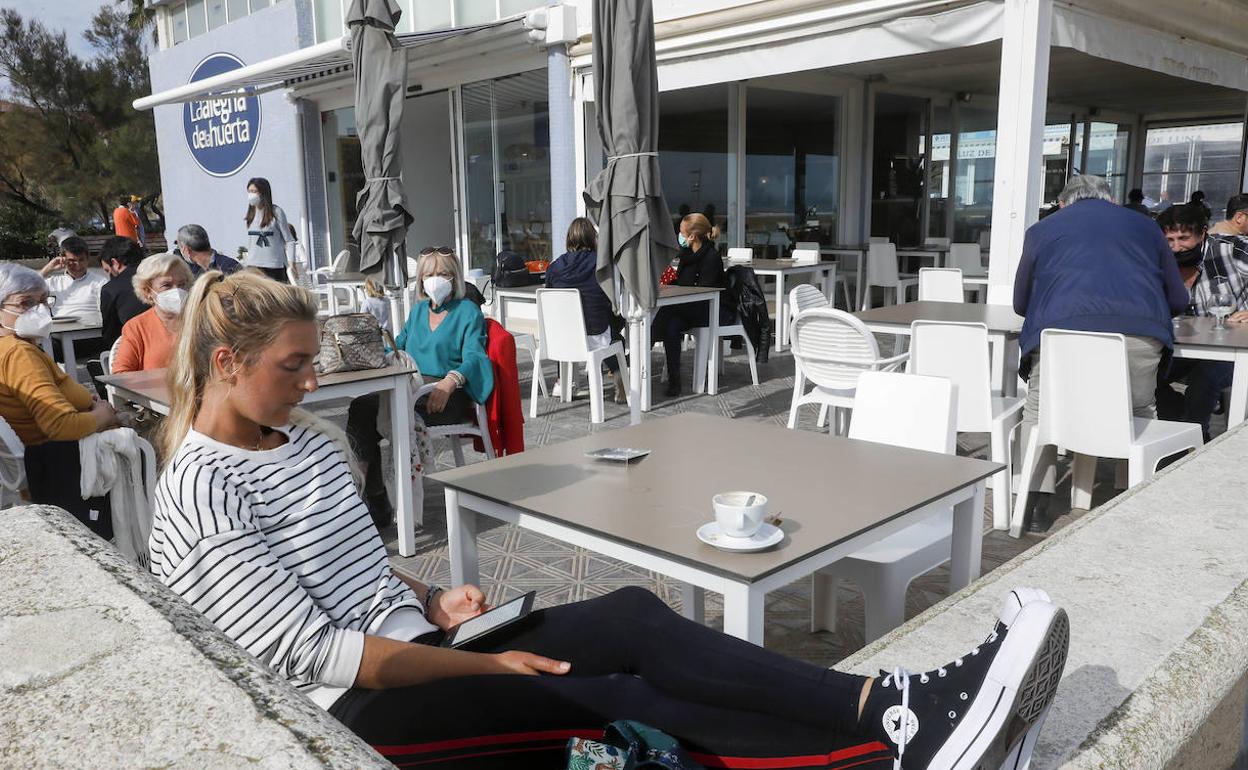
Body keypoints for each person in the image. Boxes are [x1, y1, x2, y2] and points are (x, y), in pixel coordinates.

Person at [146, 270, 1069, 769]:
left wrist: (433, 596)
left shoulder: (299, 442)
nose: (313, 382)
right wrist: (493, 659)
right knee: (622, 703)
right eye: (294, 367)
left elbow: (358, 569)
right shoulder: (200, 491)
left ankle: (894, 707)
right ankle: (892, 744)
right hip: (352, 708)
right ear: (227, 362)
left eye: (312, 364)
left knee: (630, 614)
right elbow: (319, 656)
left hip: (421, 646)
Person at [1013, 175, 1188, 531]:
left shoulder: (1042, 230)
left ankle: (1032, 505)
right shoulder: (1146, 226)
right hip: (1139, 334)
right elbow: (1178, 298)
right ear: (1111, 201)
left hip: (1059, 335)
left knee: (1040, 411)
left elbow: (1020, 302)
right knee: (1138, 410)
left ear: (1064, 204)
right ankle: (1131, 496)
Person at [347, 248, 493, 527]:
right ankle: (370, 492)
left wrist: (450, 382)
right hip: (411, 389)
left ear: (455, 277)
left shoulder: (467, 311)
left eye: (443, 273)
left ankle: (367, 495)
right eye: (429, 274)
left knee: (367, 410)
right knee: (363, 407)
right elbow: (397, 345)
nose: (436, 280)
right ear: (421, 280)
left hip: (445, 395)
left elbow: (475, 356)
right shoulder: (417, 312)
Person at [0, 264, 119, 537]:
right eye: (26, 303)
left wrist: (77, 398)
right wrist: (104, 414)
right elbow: (59, 426)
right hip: (62, 465)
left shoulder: (15, 348)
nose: (39, 310)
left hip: (46, 461)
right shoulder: (19, 354)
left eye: (43, 301)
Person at [1155, 204, 1248, 441]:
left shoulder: (1232, 250)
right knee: (1146, 377)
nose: (1176, 247)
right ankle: (1183, 430)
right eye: (1169, 239)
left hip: (1231, 349)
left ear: (1203, 233)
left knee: (1203, 381)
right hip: (1183, 346)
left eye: (1184, 238)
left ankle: (1196, 439)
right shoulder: (1159, 260)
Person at [544, 217, 627, 404]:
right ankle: (619, 373)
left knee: (567, 322)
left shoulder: (554, 267)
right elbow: (611, 301)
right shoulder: (602, 265)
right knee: (615, 334)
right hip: (595, 336)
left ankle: (563, 381)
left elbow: (553, 303)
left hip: (562, 341)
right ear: (593, 239)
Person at [653, 213, 724, 397]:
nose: (680, 236)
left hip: (705, 309)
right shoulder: (685, 255)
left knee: (667, 313)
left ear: (693, 236)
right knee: (670, 325)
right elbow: (682, 283)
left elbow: (705, 292)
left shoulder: (711, 257)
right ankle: (674, 380)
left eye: (682, 233)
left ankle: (641, 351)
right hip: (684, 309)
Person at [112, 253, 193, 374]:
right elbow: (120, 374)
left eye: (182, 284)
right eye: (166, 285)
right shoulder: (137, 327)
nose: (177, 290)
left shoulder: (202, 319)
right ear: (147, 291)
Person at [98, 236, 150, 347]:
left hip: (137, 346)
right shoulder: (159, 276)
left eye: (108, 270)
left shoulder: (111, 289)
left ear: (115, 263)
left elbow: (110, 333)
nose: (109, 276)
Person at [40, 235, 107, 319]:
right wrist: (47, 269)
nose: (78, 265)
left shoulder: (100, 282)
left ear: (88, 259)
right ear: (63, 259)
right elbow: (23, 290)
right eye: (72, 261)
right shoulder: (53, 282)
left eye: (81, 260)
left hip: (90, 328)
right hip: (60, 328)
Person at [244, 177, 291, 283]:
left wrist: (291, 264)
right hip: (253, 267)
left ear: (263, 193)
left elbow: (289, 240)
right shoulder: (250, 214)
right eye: (249, 191)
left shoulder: (277, 212)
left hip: (274, 266)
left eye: (254, 191)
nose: (251, 195)